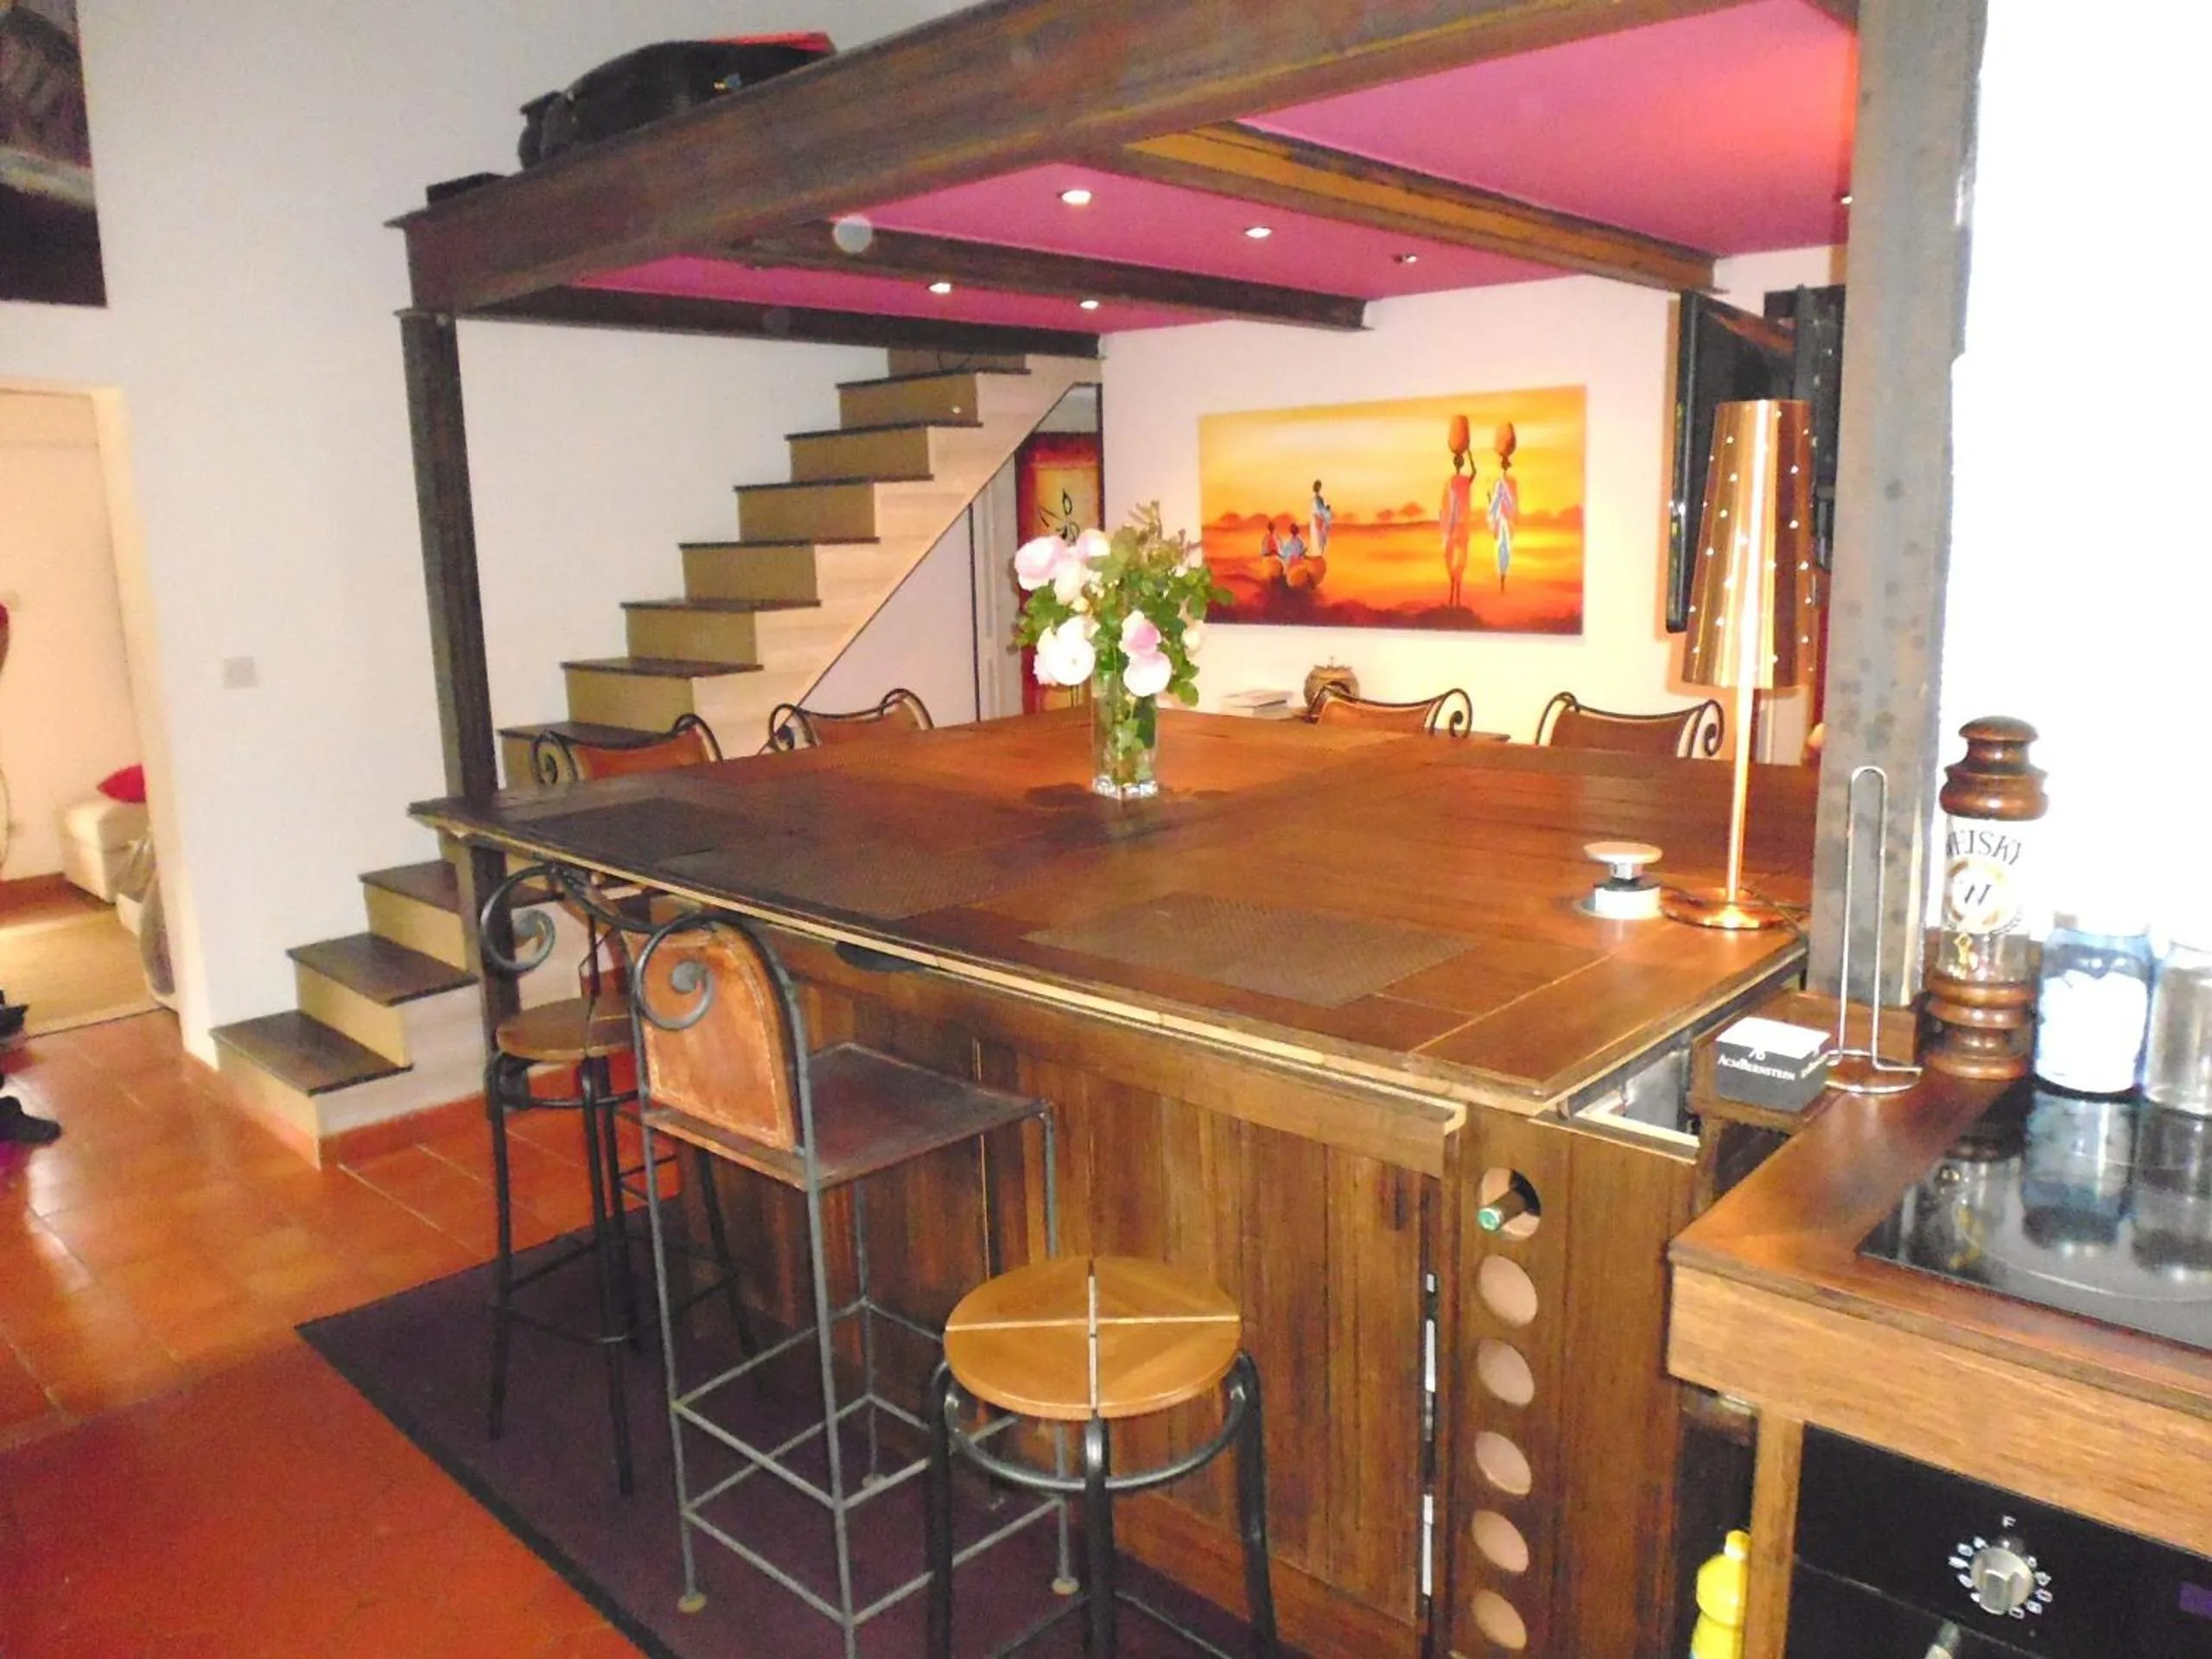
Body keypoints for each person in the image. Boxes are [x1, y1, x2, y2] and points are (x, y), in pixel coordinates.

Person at [1440, 451, 1473, 608]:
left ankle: (1456, 599)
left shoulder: (1461, 481)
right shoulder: (1452, 481)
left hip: (1459, 529)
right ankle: (1454, 597)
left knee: (1459, 563)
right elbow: (1446, 506)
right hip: (1453, 529)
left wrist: (1468, 451)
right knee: (1453, 562)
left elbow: (1474, 473)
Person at [1309, 480, 1332, 561]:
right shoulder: (1318, 499)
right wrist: (1327, 509)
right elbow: (1320, 511)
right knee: (1320, 540)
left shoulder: (1315, 499)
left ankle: (1318, 557)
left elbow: (1319, 511)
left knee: (1318, 539)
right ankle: (1318, 558)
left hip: (1317, 521)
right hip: (1319, 521)